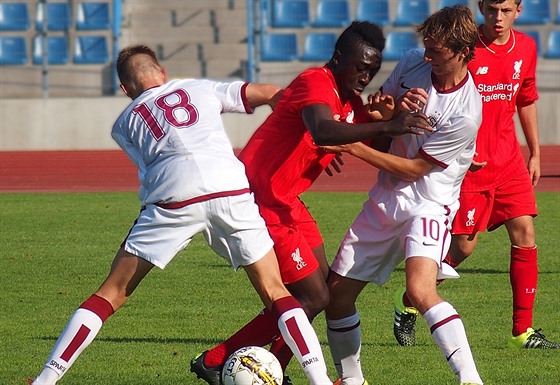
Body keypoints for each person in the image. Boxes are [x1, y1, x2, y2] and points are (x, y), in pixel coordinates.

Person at [30, 45, 337, 385]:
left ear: (125, 89)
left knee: (111, 293)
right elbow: (273, 94)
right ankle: (320, 381)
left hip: (173, 199)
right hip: (230, 188)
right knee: (275, 290)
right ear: (162, 72)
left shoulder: (124, 123)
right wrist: (308, 134)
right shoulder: (197, 87)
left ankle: (45, 379)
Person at [190, 21, 431, 385]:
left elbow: (364, 142)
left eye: (373, 70)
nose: (366, 77)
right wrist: (385, 126)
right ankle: (216, 361)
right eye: (360, 66)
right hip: (261, 200)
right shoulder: (315, 82)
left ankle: (271, 368)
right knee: (313, 296)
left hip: (287, 202)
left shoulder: (347, 99)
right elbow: (323, 129)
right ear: (338, 58)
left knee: (325, 292)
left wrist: (387, 117)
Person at [324, 6, 485, 385]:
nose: (427, 55)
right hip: (386, 197)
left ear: (462, 51)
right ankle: (352, 380)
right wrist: (386, 113)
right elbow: (380, 122)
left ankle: (470, 379)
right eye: (426, 46)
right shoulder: (413, 61)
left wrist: (351, 148)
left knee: (420, 289)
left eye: (437, 50)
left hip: (430, 202)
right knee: (336, 295)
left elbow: (415, 169)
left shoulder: (466, 112)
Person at [393, 0, 560, 350]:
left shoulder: (526, 47)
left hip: (510, 161)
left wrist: (535, 151)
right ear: (482, 8)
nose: (497, 18)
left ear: (519, 9)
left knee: (525, 232)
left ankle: (522, 331)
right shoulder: (465, 51)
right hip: (469, 167)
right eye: (491, 10)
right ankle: (410, 300)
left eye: (505, 10)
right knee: (464, 247)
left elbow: (525, 99)